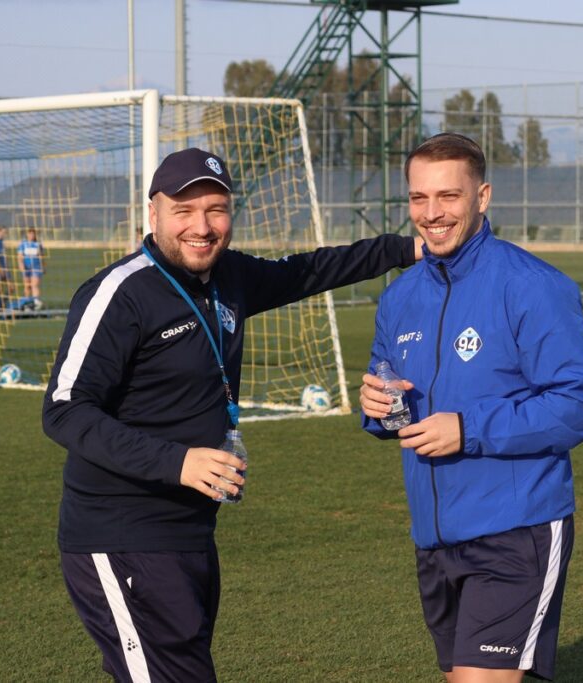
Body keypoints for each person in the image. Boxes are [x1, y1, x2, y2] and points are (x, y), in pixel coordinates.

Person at [42, 147, 422, 682]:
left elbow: (308, 271)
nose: (202, 226)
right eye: (184, 210)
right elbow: (64, 411)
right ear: (153, 214)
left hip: (189, 532)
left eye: (216, 209)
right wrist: (179, 463)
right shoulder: (119, 294)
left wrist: (406, 247)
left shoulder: (229, 277)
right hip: (121, 534)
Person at [359, 133, 583, 683]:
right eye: (419, 198)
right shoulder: (399, 297)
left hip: (516, 529)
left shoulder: (533, 286)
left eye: (448, 196)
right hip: (434, 537)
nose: (432, 213)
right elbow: (387, 388)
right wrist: (377, 406)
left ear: (483, 196)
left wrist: (468, 430)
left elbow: (579, 405)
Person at [16, 227, 45, 310]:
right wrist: (21, 267)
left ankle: (36, 302)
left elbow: (41, 256)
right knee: (27, 286)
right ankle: (27, 302)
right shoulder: (23, 244)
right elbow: (20, 257)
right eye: (30, 233)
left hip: (36, 267)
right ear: (27, 234)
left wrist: (42, 267)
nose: (31, 235)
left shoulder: (38, 244)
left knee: (34, 285)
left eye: (33, 233)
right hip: (26, 268)